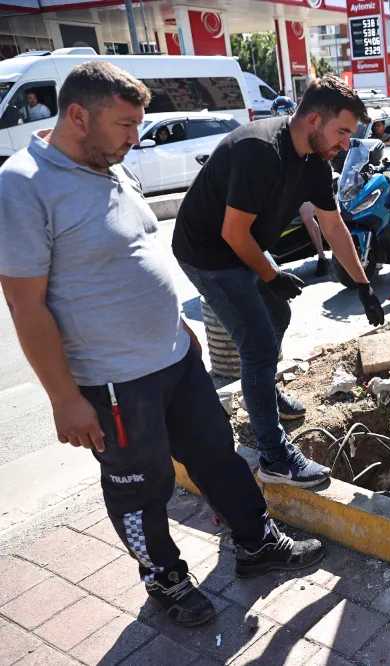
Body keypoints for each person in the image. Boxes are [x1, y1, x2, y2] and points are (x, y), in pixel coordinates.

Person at [0, 61, 324, 629]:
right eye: (125, 125)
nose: (136, 137)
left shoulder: (109, 164)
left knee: (217, 455)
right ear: (78, 115)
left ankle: (256, 544)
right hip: (112, 381)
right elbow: (26, 306)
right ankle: (166, 579)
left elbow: (134, 255)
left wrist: (179, 327)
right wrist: (64, 399)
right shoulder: (24, 184)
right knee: (139, 486)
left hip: (174, 358)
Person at [172, 75, 385, 489]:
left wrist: (362, 285)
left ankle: (264, 393)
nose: (345, 144)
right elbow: (233, 235)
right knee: (258, 343)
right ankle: (274, 457)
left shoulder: (314, 163)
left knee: (277, 313)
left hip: (241, 243)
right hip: (207, 252)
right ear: (314, 120)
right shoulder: (261, 150)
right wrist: (271, 275)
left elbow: (334, 225)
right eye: (342, 132)